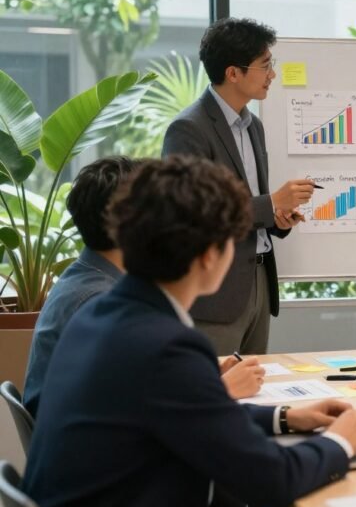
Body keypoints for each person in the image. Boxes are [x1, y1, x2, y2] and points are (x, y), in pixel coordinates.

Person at [22, 156, 356, 507]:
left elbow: (194, 413)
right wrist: (342, 440)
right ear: (211, 255)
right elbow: (272, 481)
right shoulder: (164, 346)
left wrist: (285, 417)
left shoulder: (101, 314)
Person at [21, 157, 264, 417]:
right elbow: (131, 411)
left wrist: (202, 379)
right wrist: (220, 389)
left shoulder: (86, 279)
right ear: (129, 220)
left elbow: (129, 385)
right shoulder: (101, 301)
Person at [164, 17, 315, 355]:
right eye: (265, 66)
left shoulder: (253, 126)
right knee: (215, 393)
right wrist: (269, 203)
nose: (272, 74)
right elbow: (192, 216)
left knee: (254, 390)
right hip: (216, 294)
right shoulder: (189, 129)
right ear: (233, 73)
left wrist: (277, 216)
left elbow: (251, 205)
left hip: (259, 280)